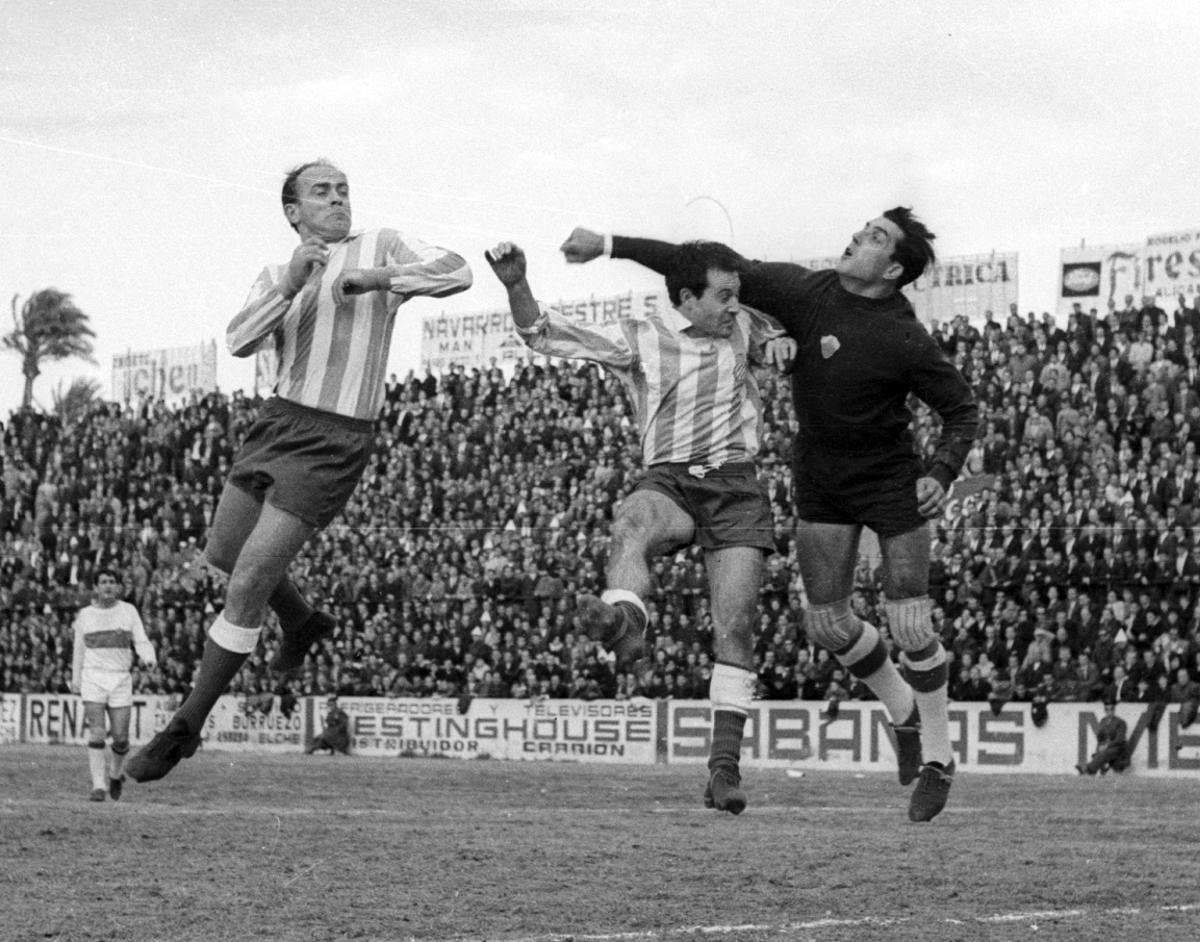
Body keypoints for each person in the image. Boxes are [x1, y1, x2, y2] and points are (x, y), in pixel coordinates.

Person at [562, 208, 980, 822]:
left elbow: (961, 409)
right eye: (862, 228)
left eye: (874, 238)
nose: (856, 237)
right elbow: (698, 265)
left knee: (910, 621)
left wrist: (941, 471)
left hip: (890, 481)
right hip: (821, 481)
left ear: (892, 268)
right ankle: (902, 712)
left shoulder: (904, 335)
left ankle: (939, 758)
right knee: (829, 627)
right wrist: (607, 243)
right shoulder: (803, 290)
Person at [126, 159, 472, 783]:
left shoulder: (379, 244)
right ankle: (304, 618)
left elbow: (458, 270)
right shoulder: (279, 271)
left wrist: (375, 278)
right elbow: (237, 341)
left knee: (250, 578)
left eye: (343, 190)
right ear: (294, 212)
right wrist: (289, 284)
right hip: (277, 421)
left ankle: (186, 726)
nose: (338, 199)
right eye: (322, 192)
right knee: (225, 554)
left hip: (336, 435)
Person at [484, 238, 795, 814]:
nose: (733, 305)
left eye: (737, 295)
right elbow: (543, 333)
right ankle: (626, 620)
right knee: (631, 521)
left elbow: (781, 335)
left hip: (735, 486)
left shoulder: (746, 326)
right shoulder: (641, 338)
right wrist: (515, 285)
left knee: (737, 623)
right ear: (686, 298)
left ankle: (722, 769)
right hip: (671, 481)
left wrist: (782, 344)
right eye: (723, 295)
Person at [70, 568, 158, 801]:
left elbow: (140, 639)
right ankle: (98, 786)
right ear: (96, 587)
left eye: (112, 582)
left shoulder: (128, 611)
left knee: (121, 738)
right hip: (93, 677)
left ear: (118, 586)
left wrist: (149, 658)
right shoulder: (85, 615)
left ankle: (115, 774)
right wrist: (76, 679)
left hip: (120, 678)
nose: (108, 585)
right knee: (97, 732)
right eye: (103, 582)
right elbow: (78, 649)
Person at [1075, 700, 1129, 775]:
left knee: (1105, 752)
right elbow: (1100, 739)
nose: (1109, 711)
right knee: (1099, 753)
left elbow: (1119, 739)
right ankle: (1091, 770)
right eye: (1107, 709)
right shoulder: (1103, 721)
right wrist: (1099, 749)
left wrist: (1106, 746)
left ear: (1114, 710)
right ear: (1105, 710)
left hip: (1117, 748)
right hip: (1106, 747)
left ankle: (1088, 769)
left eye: (1111, 709)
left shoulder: (1120, 722)